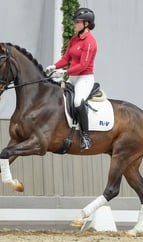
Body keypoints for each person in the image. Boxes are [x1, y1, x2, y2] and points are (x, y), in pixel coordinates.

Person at [46, 7, 97, 151]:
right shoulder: (74, 39)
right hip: (73, 77)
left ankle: (85, 137)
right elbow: (65, 58)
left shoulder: (90, 42)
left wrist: (65, 72)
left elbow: (83, 65)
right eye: (74, 21)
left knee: (77, 101)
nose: (74, 23)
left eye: (77, 21)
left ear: (86, 24)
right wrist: (54, 66)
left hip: (84, 78)